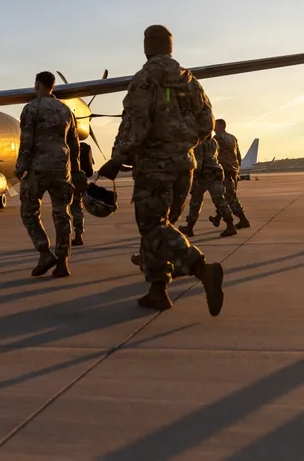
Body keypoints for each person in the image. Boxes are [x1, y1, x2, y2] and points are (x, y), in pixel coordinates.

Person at [97, 24, 225, 316]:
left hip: (155, 166)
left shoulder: (145, 78)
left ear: (146, 47)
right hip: (185, 165)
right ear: (171, 47)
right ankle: (158, 291)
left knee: (153, 227)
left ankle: (202, 268)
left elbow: (136, 123)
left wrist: (118, 159)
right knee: (162, 227)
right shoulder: (189, 80)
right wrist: (183, 144)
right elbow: (207, 124)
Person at [16, 71, 85, 278]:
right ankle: (63, 262)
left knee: (29, 212)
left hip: (38, 169)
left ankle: (45, 252)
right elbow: (74, 145)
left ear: (38, 85)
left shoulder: (31, 108)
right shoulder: (66, 110)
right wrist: (76, 171)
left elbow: (26, 141)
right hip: (61, 169)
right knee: (62, 213)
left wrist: (21, 167)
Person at [181, 134, 237, 238]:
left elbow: (199, 161)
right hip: (217, 172)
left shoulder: (200, 143)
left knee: (195, 201)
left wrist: (195, 176)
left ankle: (189, 227)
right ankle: (230, 225)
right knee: (220, 200)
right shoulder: (213, 142)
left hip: (205, 174)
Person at [213, 119, 251, 229]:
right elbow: (238, 156)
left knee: (229, 196)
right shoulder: (232, 137)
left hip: (225, 171)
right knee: (225, 196)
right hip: (234, 170)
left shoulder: (217, 139)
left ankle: (243, 219)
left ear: (220, 126)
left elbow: (213, 155)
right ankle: (217, 218)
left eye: (215, 125)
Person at [71, 141, 95, 246]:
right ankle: (78, 235)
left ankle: (64, 237)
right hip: (81, 178)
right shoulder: (82, 146)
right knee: (77, 207)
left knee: (61, 209)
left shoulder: (62, 144)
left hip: (68, 178)